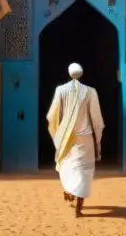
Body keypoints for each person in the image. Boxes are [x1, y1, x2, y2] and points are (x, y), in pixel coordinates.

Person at [45, 62, 105, 218]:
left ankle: (69, 190)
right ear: (82, 73)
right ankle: (79, 208)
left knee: (67, 166)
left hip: (67, 137)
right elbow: (97, 118)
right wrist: (98, 138)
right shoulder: (90, 92)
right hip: (85, 138)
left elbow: (51, 116)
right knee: (84, 171)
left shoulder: (60, 90)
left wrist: (57, 132)